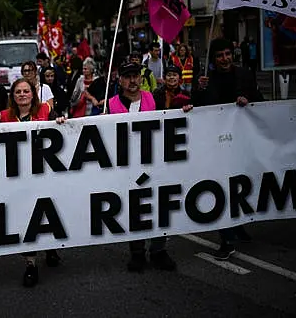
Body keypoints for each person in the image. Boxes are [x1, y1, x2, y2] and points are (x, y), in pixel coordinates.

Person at [107, 62, 186, 272]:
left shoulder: (153, 98)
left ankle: (159, 250)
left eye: (136, 76)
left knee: (160, 205)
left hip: (155, 162)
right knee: (135, 209)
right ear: (120, 80)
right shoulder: (111, 104)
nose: (133, 80)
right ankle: (137, 253)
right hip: (128, 165)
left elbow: (172, 114)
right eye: (128, 76)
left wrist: (185, 112)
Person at [0, 78, 66, 287]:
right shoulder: (4, 116)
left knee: (47, 213)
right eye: (18, 92)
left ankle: (51, 248)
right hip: (18, 178)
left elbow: (59, 132)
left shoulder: (44, 111)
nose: (22, 94)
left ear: (33, 94)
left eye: (26, 91)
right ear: (13, 96)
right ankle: (31, 264)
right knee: (26, 218)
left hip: (45, 174)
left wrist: (59, 122)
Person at [194, 38, 263, 260]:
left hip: (241, 141)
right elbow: (197, 107)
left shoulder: (244, 74)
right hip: (216, 143)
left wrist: (248, 100)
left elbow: (261, 102)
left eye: (227, 54)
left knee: (239, 184)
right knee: (220, 186)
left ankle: (238, 224)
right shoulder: (207, 80)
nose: (224, 59)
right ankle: (227, 238)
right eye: (219, 55)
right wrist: (198, 90)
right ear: (213, 60)